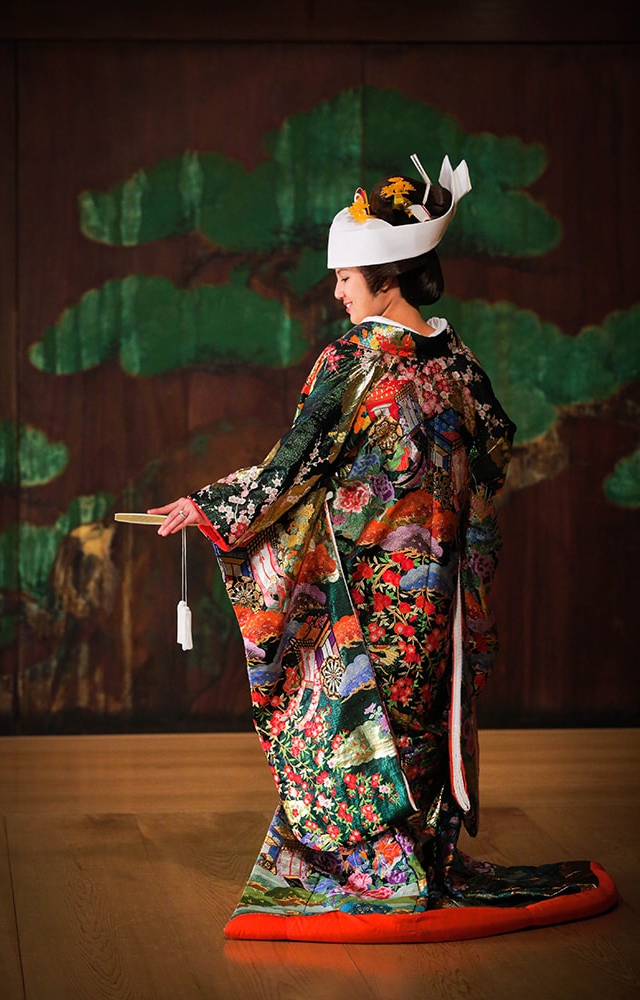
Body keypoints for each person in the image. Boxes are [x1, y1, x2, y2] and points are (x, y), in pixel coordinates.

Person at [149, 154, 616, 942]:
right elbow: (495, 450)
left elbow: (295, 461)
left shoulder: (351, 362)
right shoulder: (457, 362)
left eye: (345, 278)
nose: (336, 292)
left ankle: (376, 877)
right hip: (440, 582)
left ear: (385, 279)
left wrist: (213, 506)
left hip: (368, 586)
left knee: (365, 718)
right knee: (423, 714)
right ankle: (420, 866)